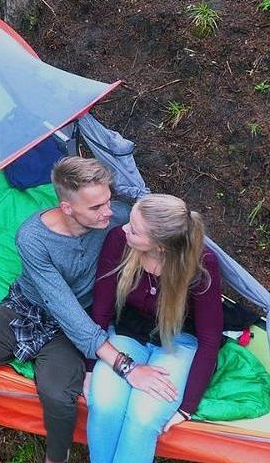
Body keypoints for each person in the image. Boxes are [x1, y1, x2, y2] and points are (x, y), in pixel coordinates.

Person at [0, 156, 159, 463]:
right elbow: (60, 303)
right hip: (26, 308)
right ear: (67, 208)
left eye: (108, 201)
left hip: (73, 325)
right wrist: (126, 366)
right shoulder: (32, 238)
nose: (109, 212)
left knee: (59, 397)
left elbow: (166, 231)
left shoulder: (116, 220)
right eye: (97, 207)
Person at [83, 194, 222, 463]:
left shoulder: (201, 266)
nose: (124, 228)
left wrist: (187, 408)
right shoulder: (119, 242)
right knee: (104, 404)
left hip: (177, 341)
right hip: (128, 334)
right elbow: (101, 310)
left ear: (161, 246)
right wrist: (90, 367)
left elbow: (209, 338)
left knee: (143, 417)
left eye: (134, 229)